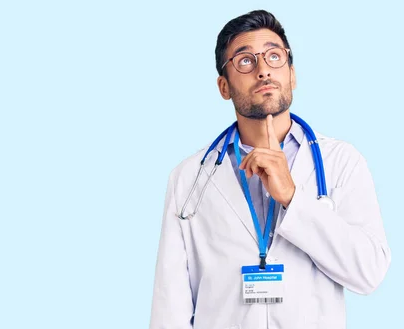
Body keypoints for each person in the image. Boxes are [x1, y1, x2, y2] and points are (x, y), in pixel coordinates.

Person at [149, 9, 391, 329]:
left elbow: (369, 272)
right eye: (246, 60)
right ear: (224, 86)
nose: (263, 70)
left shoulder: (342, 163)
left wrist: (292, 197)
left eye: (274, 56)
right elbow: (171, 306)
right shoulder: (189, 178)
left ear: (292, 75)